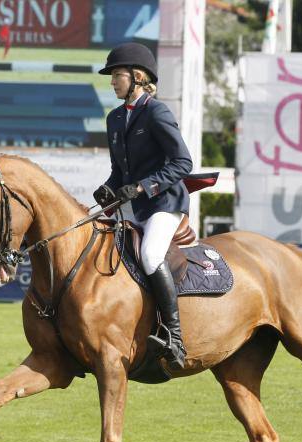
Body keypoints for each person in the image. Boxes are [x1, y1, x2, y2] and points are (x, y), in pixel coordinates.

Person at [92, 42, 193, 369]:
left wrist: (143, 186)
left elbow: (182, 162)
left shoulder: (157, 112)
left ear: (137, 77)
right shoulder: (115, 118)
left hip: (164, 202)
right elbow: (119, 171)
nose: (112, 83)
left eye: (116, 76)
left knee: (150, 254)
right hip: (133, 204)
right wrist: (108, 190)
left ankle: (174, 336)